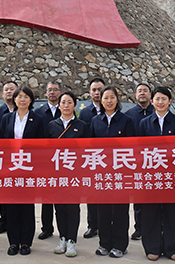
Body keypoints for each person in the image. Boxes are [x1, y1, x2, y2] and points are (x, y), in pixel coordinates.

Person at [136, 86, 175, 262]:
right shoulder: (144, 123)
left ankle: (172, 248)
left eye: (164, 99)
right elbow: (139, 151)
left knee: (172, 212)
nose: (160, 102)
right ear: (152, 102)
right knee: (150, 212)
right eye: (157, 99)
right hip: (151, 175)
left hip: (172, 175)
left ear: (170, 101)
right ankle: (152, 247)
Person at [0, 86, 44, 256]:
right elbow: (1, 142)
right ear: (15, 99)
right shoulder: (6, 118)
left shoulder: (37, 119)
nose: (22, 99)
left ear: (31, 100)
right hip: (10, 169)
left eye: (26, 96)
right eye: (19, 96)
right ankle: (13, 242)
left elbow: (42, 145)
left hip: (29, 169)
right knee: (11, 207)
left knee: (26, 207)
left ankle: (25, 242)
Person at [90, 85, 135, 258]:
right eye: (105, 98)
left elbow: (131, 148)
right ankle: (104, 244)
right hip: (102, 174)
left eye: (112, 97)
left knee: (120, 211)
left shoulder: (126, 121)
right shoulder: (95, 121)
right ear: (101, 101)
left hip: (121, 174)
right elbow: (90, 148)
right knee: (103, 210)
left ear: (117, 100)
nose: (109, 101)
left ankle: (120, 245)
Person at [46, 91, 90, 258]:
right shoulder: (52, 125)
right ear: (59, 106)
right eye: (63, 102)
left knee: (72, 208)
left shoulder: (82, 125)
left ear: (75, 105)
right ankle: (62, 238)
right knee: (59, 208)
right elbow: (45, 151)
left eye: (69, 102)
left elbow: (87, 151)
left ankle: (72, 241)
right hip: (56, 174)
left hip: (75, 175)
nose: (66, 105)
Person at [124, 82, 154, 241]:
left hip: (156, 161)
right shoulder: (128, 115)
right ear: (135, 95)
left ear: (150, 94)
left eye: (145, 91)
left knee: (155, 198)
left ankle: (155, 228)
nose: (142, 93)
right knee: (138, 200)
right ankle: (139, 228)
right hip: (136, 162)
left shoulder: (157, 110)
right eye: (139, 91)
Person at [34, 81, 63, 241]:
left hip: (64, 161)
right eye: (49, 90)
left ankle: (63, 229)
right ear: (46, 93)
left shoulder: (65, 109)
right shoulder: (39, 112)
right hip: (44, 161)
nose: (52, 92)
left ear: (60, 92)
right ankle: (46, 228)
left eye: (55, 90)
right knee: (46, 199)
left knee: (61, 198)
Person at [0, 80, 17, 235]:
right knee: (4, 193)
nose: (9, 92)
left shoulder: (24, 111)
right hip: (2, 159)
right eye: (6, 89)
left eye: (12, 89)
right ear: (2, 94)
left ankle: (19, 222)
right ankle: (4, 222)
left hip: (21, 159)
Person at [78, 77, 105, 239]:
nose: (97, 92)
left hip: (110, 160)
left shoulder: (112, 110)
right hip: (91, 159)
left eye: (100, 89)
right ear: (89, 92)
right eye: (94, 90)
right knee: (92, 195)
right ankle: (92, 226)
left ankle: (106, 225)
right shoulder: (85, 112)